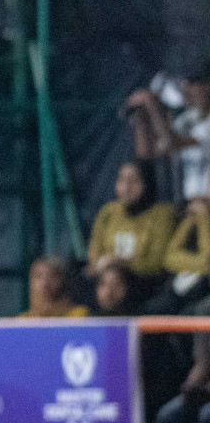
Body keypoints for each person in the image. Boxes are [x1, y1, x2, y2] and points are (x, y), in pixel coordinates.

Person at [86, 160, 176, 282]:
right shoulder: (109, 211)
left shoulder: (162, 215)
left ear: (147, 184)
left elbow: (155, 262)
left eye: (133, 181)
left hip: (143, 282)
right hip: (106, 277)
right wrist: (103, 265)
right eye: (121, 180)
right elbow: (95, 252)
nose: (126, 188)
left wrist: (120, 262)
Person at [128, 67, 210, 201]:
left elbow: (172, 142)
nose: (187, 90)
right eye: (186, 85)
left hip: (205, 202)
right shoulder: (187, 119)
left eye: (194, 85)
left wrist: (152, 106)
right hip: (187, 204)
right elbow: (157, 149)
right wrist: (141, 123)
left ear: (207, 87)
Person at [18, 256, 87, 318]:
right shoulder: (22, 322)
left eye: (52, 276)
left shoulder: (78, 317)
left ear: (63, 281)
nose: (44, 283)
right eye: (38, 276)